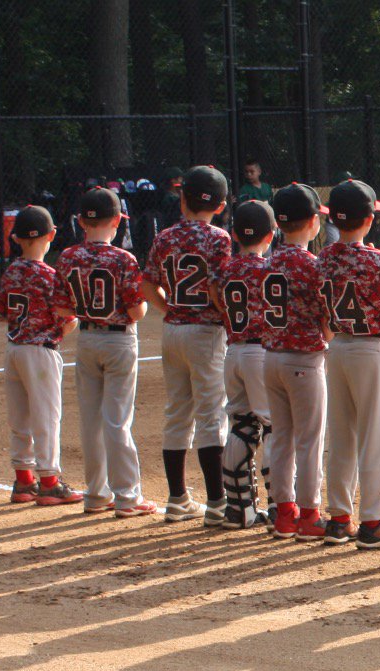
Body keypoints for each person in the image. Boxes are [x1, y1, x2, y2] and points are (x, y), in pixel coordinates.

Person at [314, 180, 380, 547]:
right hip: (371, 348)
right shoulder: (377, 259)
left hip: (337, 348)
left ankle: (339, 518)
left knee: (342, 434)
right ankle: (373, 522)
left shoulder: (324, 257)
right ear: (368, 220)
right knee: (375, 436)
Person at [144, 165, 232, 525]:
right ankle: (217, 502)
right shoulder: (220, 238)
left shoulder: (165, 236)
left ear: (182, 199)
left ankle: (177, 497)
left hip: (174, 329)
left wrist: (170, 308)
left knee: (177, 412)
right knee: (211, 414)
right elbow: (216, 288)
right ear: (221, 205)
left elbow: (147, 284)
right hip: (206, 331)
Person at [58, 187, 152, 516]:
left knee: (91, 421)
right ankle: (127, 496)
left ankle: (96, 494)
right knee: (117, 421)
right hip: (119, 340)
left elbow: (61, 307)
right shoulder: (123, 258)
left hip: (86, 339)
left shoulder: (69, 256)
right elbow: (137, 312)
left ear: (82, 221)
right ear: (116, 221)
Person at [0, 205, 81, 506]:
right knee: (46, 417)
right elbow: (65, 320)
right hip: (40, 353)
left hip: (14, 349)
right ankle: (49, 482)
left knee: (20, 417)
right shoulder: (50, 275)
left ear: (15, 238)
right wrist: (76, 321)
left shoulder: (11, 271)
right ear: (52, 235)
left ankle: (23, 481)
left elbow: (3, 313)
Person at [259, 192, 329, 539]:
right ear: (314, 222)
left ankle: (284, 513)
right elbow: (326, 319)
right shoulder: (312, 265)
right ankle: (310, 515)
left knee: (281, 438)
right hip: (304, 359)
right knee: (309, 441)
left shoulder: (265, 261)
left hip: (270, 357)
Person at [210, 200, 276, 531]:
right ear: (272, 234)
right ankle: (281, 507)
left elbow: (214, 293)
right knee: (273, 426)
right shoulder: (270, 268)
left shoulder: (225, 270)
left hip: (233, 350)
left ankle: (239, 509)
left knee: (242, 425)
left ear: (234, 234)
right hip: (261, 352)